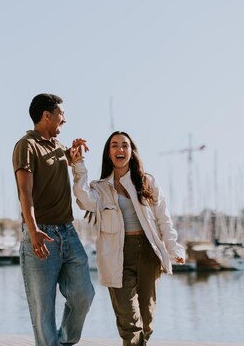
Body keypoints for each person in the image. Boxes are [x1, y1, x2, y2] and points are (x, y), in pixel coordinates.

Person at [70, 131, 184, 346]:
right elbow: (84, 199)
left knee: (147, 321)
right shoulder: (100, 187)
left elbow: (163, 219)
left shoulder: (147, 182)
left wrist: (173, 248)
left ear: (132, 152)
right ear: (108, 153)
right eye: (114, 145)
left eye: (125, 145)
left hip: (148, 253)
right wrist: (78, 164)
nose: (120, 149)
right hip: (116, 255)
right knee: (129, 321)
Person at [12, 93, 95, 346]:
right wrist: (34, 229)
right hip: (41, 235)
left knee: (84, 294)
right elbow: (24, 191)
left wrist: (75, 150)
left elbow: (67, 158)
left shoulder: (57, 147)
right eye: (61, 114)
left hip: (68, 233)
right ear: (46, 115)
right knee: (43, 310)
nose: (64, 119)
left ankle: (64, 341)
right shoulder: (26, 145)